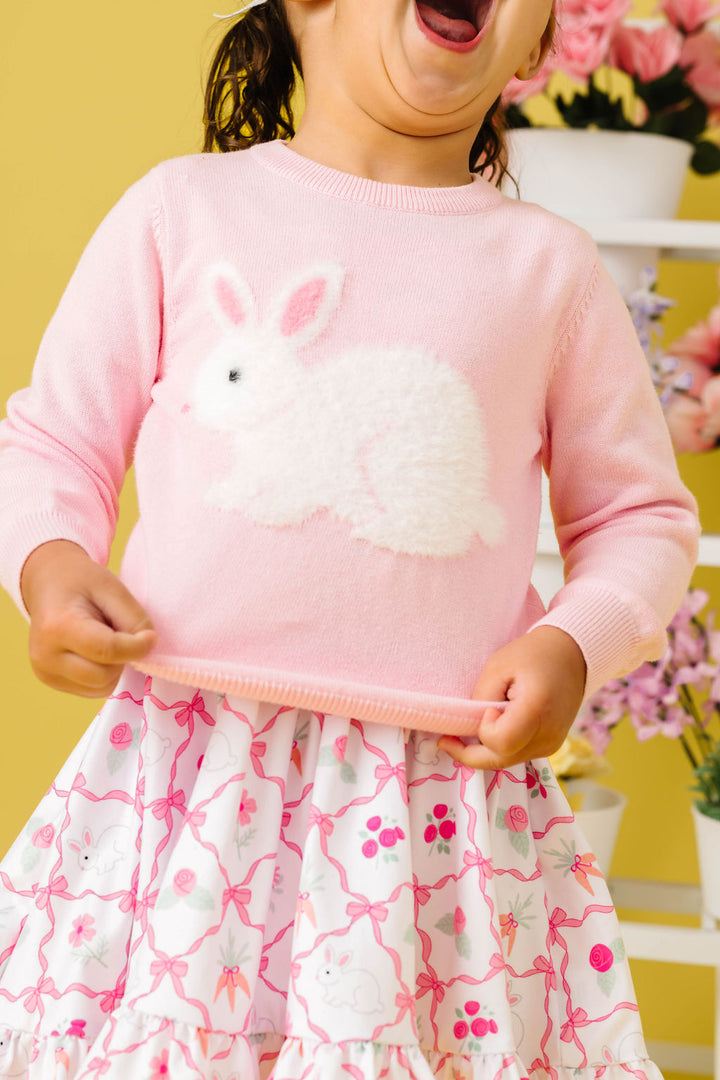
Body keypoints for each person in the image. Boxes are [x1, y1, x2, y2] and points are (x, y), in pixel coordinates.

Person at [0, 0, 699, 1076]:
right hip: (191, 768)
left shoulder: (547, 270)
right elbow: (52, 444)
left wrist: (574, 645)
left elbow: (639, 519)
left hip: (434, 805)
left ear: (541, 46)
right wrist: (50, 571)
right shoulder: (180, 213)